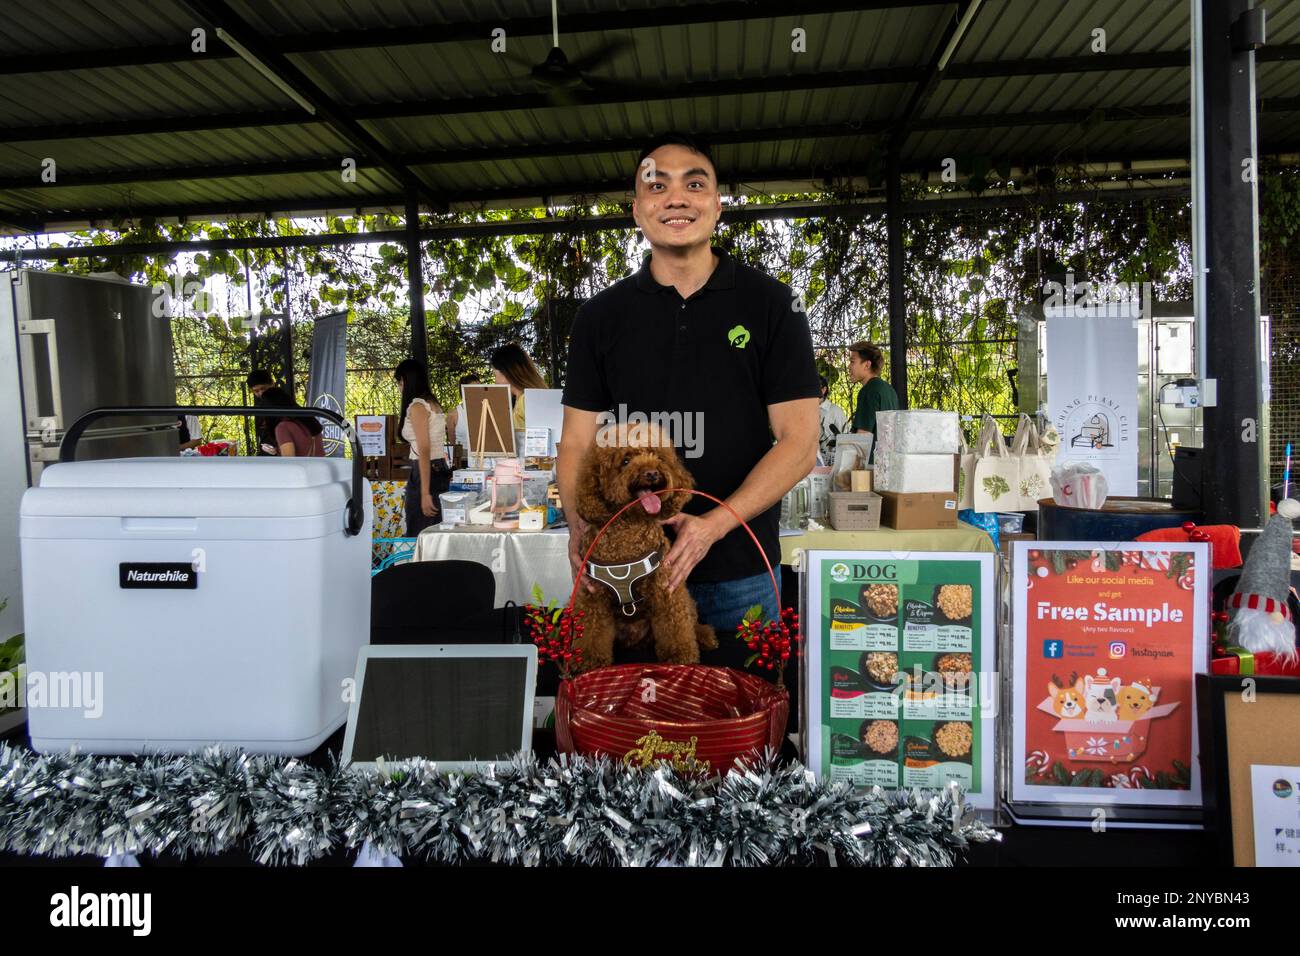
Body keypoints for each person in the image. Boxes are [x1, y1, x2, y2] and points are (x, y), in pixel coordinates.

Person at [558, 131, 820, 636]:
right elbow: (575, 441)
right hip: (627, 577)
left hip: (740, 568)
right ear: (637, 211)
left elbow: (800, 443)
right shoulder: (599, 317)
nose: (676, 197)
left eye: (694, 184)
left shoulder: (772, 305)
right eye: (657, 187)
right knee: (634, 713)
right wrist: (580, 526)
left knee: (743, 710)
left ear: (717, 205)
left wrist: (712, 527)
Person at [395, 358, 451, 536]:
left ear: (407, 381)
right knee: (434, 533)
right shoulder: (433, 403)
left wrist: (425, 493)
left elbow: (424, 449)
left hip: (425, 472)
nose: (399, 387)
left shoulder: (418, 406)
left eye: (400, 382)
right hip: (438, 468)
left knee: (419, 533)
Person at [848, 341, 898, 460]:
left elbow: (863, 436)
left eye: (852, 361)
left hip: (871, 465)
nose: (849, 366)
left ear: (867, 365)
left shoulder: (869, 390)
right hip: (889, 461)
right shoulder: (889, 389)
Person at [490, 344, 547, 432]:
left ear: (506, 373)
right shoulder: (520, 399)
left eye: (495, 375)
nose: (495, 382)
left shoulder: (526, 400)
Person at [259, 386, 325, 457]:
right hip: (321, 466)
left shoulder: (283, 427)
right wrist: (276, 450)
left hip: (303, 467)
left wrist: (277, 452)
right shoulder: (309, 419)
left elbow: (289, 461)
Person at [447, 373, 480, 462]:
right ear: (464, 391)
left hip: (483, 456)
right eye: (473, 389)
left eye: (479, 388)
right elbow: (452, 442)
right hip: (463, 457)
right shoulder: (453, 413)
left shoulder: (485, 409)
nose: (478, 392)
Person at [817, 375, 848, 463]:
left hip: (831, 462)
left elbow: (844, 438)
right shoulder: (805, 411)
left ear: (823, 390)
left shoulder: (835, 411)